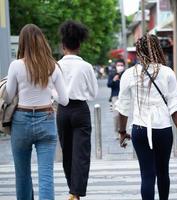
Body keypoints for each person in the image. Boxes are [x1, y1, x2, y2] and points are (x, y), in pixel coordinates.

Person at [116, 34, 177, 200]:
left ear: (138, 52)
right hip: (163, 129)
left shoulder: (129, 74)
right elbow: (175, 107)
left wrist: (122, 132)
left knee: (147, 175)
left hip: (140, 129)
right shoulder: (167, 73)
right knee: (163, 172)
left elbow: (123, 108)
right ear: (158, 49)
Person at [6, 24, 69, 200]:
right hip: (46, 119)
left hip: (21, 121)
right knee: (46, 175)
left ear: (22, 43)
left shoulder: (16, 66)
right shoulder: (53, 66)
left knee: (22, 174)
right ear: (42, 42)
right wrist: (50, 92)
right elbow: (64, 100)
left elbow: (9, 96)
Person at [57, 20, 98, 200]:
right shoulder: (86, 66)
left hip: (63, 110)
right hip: (81, 110)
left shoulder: (56, 66)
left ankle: (72, 191)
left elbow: (52, 91)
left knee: (67, 152)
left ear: (63, 45)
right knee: (81, 153)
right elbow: (94, 93)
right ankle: (76, 192)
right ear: (79, 45)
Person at [107, 59, 125, 139]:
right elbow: (109, 84)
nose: (120, 67)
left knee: (124, 114)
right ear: (116, 66)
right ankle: (116, 131)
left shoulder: (126, 74)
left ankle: (122, 131)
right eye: (118, 65)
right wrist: (114, 80)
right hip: (115, 96)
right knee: (116, 115)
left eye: (121, 65)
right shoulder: (112, 74)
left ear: (124, 66)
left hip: (125, 96)